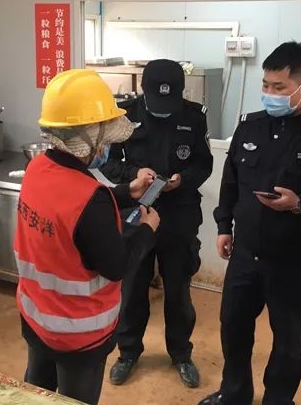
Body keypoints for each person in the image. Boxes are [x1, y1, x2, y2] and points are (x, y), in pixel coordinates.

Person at [13, 69, 160, 405]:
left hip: (36, 317)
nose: (106, 145)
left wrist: (125, 191)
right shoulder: (89, 197)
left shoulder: (37, 169)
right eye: (103, 135)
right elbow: (116, 266)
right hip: (79, 334)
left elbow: (70, 213)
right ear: (89, 137)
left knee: (36, 393)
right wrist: (146, 231)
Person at [198, 41, 301, 405]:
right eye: (265, 85)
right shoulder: (251, 127)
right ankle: (234, 393)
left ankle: (279, 399)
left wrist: (299, 204)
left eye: (279, 87)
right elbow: (230, 181)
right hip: (245, 253)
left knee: (288, 339)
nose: (270, 94)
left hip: (292, 259)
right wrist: (223, 226)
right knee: (233, 327)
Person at [100, 59, 213, 388]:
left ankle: (181, 354)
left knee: (178, 289)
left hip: (179, 214)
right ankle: (128, 352)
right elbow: (109, 165)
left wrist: (182, 180)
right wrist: (134, 175)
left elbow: (204, 164)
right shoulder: (125, 114)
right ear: (143, 91)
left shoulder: (194, 117)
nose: (164, 108)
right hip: (137, 212)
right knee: (133, 286)